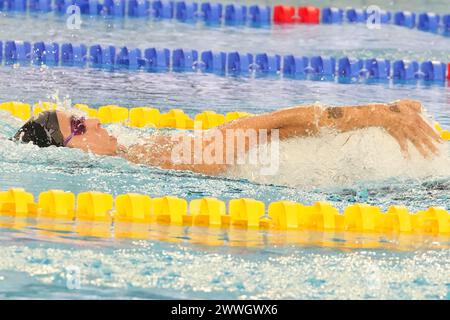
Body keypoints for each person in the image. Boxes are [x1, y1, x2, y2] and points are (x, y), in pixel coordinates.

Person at [12, 99, 442, 175]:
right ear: (68, 154)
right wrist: (383, 114)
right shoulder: (158, 158)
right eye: (80, 127)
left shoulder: (139, 150)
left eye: (83, 115)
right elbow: (268, 126)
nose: (96, 122)